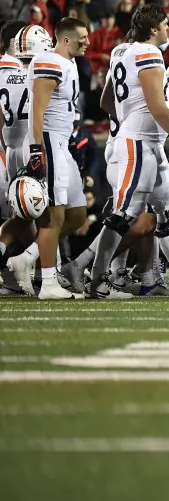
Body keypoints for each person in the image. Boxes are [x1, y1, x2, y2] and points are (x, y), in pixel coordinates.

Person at [92, 5, 169, 299]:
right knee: (125, 214)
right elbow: (158, 107)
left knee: (168, 210)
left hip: (146, 142)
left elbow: (106, 102)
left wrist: (127, 119)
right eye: (166, 25)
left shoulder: (122, 51)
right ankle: (94, 279)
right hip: (139, 144)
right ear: (154, 28)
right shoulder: (147, 53)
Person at [14, 17, 89, 299]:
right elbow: (38, 109)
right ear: (66, 39)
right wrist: (36, 149)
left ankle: (27, 257)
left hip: (62, 143)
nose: (88, 42)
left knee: (77, 214)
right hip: (47, 140)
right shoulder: (50, 62)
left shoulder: (68, 64)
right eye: (82, 37)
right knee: (53, 216)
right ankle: (47, 283)